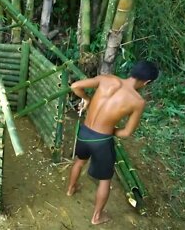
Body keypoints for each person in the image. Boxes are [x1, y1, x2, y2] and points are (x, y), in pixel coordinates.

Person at [66, 61, 159, 225]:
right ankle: (96, 217)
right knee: (105, 180)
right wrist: (109, 129)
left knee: (79, 162)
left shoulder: (106, 79)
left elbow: (75, 86)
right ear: (146, 82)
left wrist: (87, 99)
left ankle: (71, 189)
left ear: (133, 71)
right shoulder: (138, 102)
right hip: (101, 141)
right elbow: (126, 133)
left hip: (84, 131)